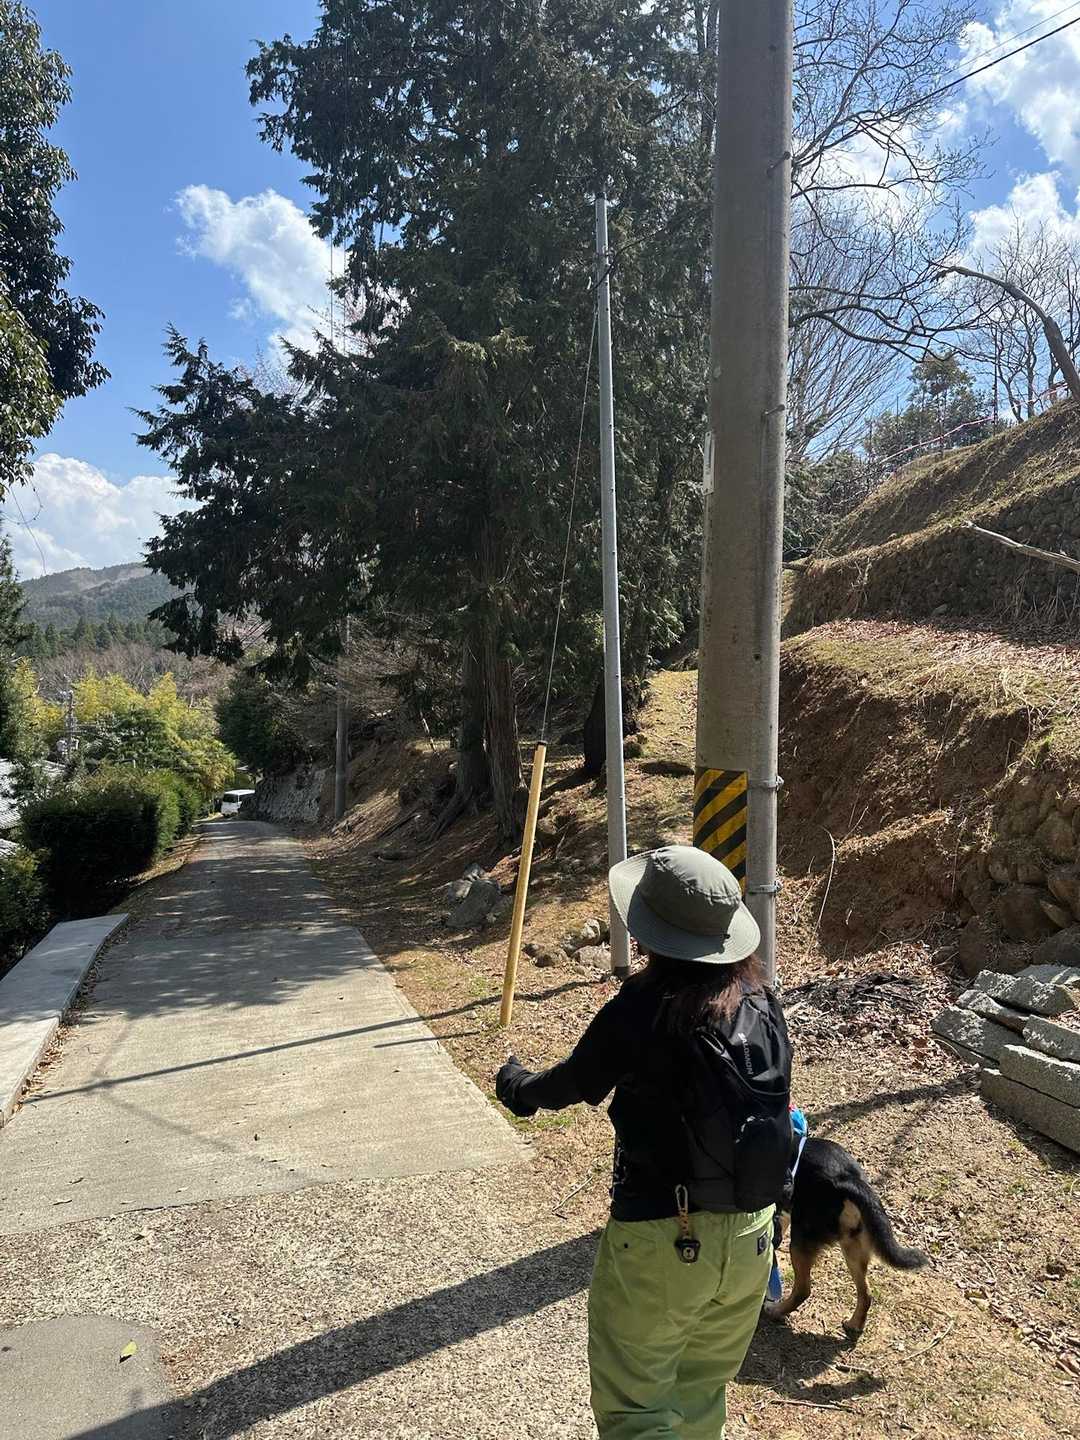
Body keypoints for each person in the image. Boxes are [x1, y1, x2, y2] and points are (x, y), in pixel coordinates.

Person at [496, 844, 793, 1440]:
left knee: (637, 1411)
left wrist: (517, 1086)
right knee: (699, 1396)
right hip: (752, 1238)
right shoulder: (763, 1003)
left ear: (651, 932)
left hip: (665, 1237)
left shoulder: (643, 1009)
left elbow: (572, 1083)